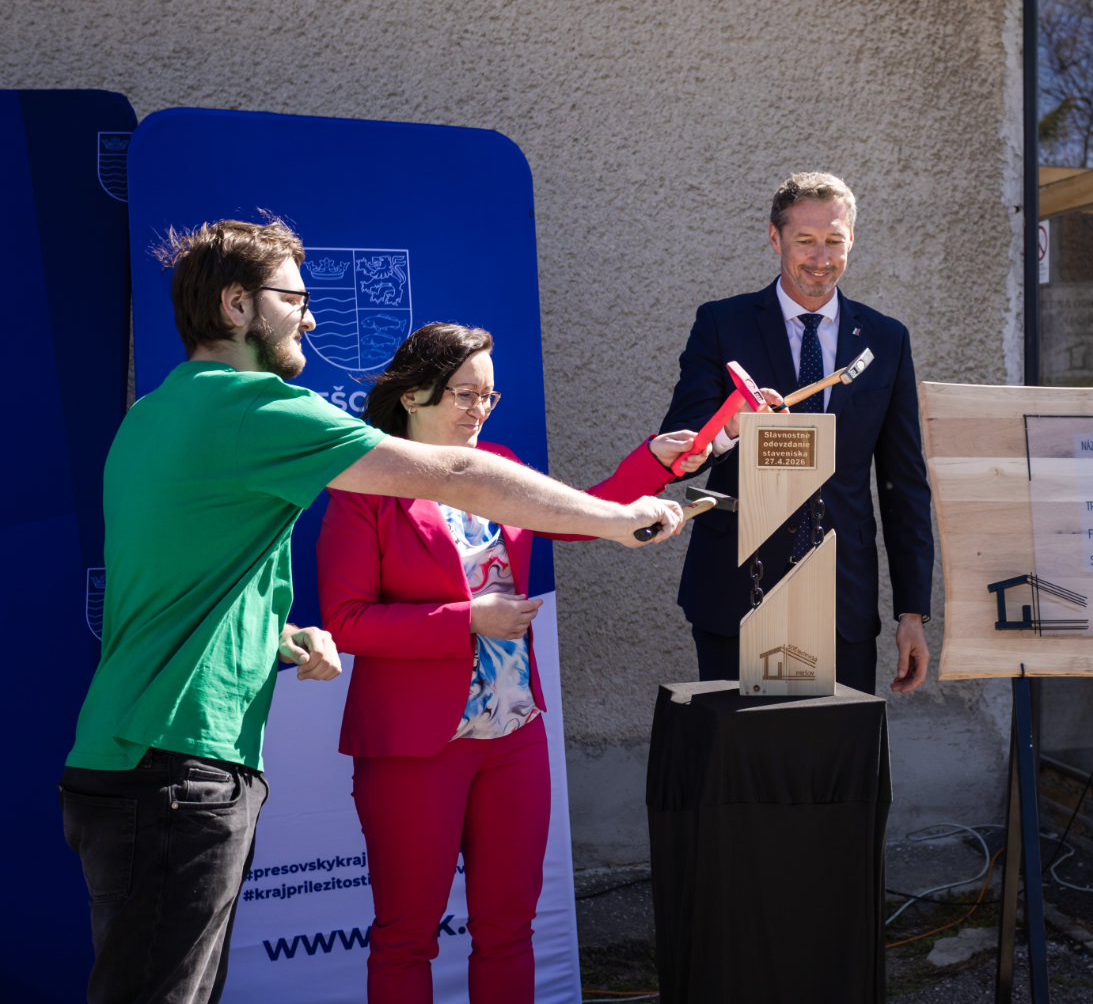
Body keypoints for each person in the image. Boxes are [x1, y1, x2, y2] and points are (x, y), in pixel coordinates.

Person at [58, 217, 685, 1004]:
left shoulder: (155, 415)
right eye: (295, 299)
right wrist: (612, 520)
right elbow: (455, 474)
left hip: (134, 760)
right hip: (177, 767)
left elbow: (175, 587)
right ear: (237, 306)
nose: (312, 319)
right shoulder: (255, 409)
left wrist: (282, 636)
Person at [316, 323, 707, 1003]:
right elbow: (347, 620)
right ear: (412, 395)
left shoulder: (496, 462)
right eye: (465, 394)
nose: (479, 410)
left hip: (513, 733)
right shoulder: (364, 485)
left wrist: (654, 460)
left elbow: (579, 515)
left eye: (489, 397)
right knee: (406, 936)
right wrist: (469, 619)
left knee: (508, 930)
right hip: (415, 747)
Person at [660, 171, 934, 694]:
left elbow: (904, 485)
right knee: (740, 746)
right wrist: (731, 428)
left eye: (835, 240)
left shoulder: (886, 340)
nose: (820, 257)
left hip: (841, 600)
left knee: (837, 748)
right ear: (775, 237)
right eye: (805, 240)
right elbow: (679, 446)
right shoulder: (722, 325)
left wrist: (912, 612)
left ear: (851, 240)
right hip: (737, 590)